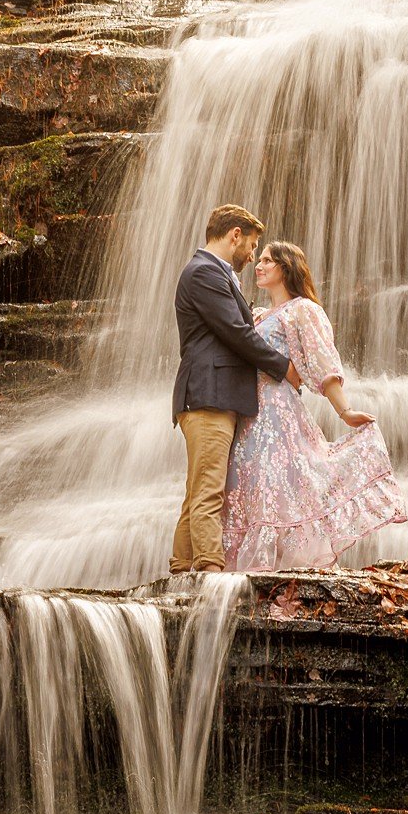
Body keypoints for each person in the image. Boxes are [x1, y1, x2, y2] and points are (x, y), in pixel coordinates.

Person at [223, 239, 407, 572]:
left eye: (267, 260)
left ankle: (283, 573)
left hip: (276, 413)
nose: (259, 266)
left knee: (277, 487)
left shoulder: (302, 310)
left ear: (286, 268)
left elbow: (323, 363)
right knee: (249, 486)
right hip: (247, 414)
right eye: (259, 260)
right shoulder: (263, 314)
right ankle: (250, 573)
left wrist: (344, 411)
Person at [171, 204, 298, 575]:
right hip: (208, 394)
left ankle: (181, 569)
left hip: (212, 393)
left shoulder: (210, 273)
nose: (253, 255)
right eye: (253, 245)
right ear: (235, 235)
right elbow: (236, 333)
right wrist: (283, 367)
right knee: (210, 492)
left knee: (198, 491)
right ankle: (211, 572)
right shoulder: (204, 273)